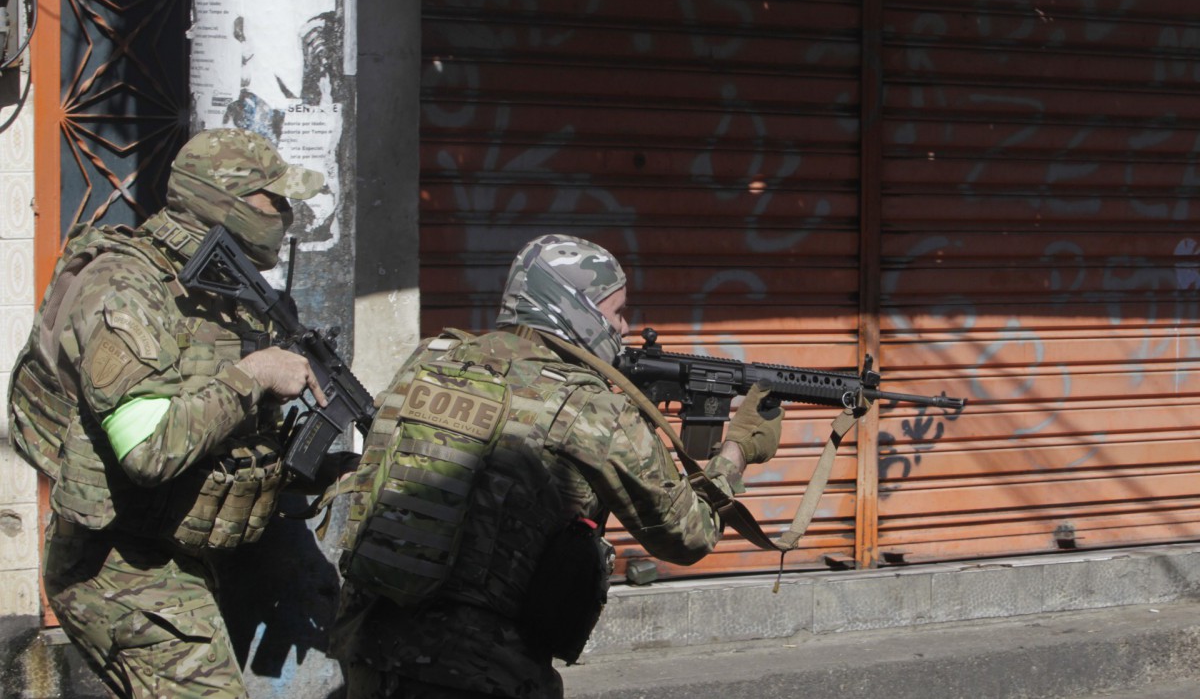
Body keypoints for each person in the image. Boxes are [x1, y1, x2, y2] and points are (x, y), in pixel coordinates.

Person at [330, 234, 784, 699]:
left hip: (371, 652)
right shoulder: (592, 409)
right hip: (481, 673)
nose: (625, 327)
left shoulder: (430, 359)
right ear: (573, 308)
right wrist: (737, 451)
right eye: (617, 312)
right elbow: (688, 536)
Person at [7, 128, 335, 698]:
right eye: (274, 200)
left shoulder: (228, 290)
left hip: (190, 548)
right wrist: (253, 376)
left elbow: (228, 437)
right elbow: (148, 448)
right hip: (119, 565)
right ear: (222, 202)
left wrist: (327, 469)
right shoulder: (124, 286)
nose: (285, 215)